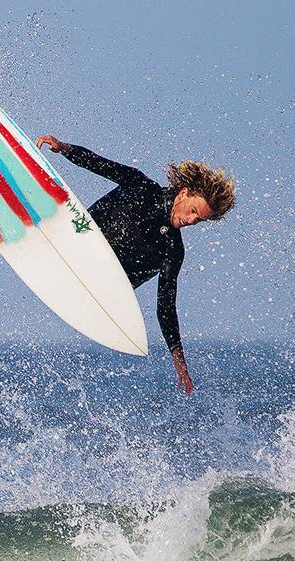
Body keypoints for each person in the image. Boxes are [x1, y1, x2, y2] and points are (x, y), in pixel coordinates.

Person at [34, 134, 235, 395]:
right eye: (194, 211)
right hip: (80, 242)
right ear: (184, 194)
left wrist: (177, 355)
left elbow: (165, 303)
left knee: (154, 262)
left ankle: (96, 287)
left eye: (200, 221)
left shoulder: (173, 250)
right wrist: (65, 148)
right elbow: (100, 164)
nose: (192, 221)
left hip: (99, 285)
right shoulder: (142, 188)